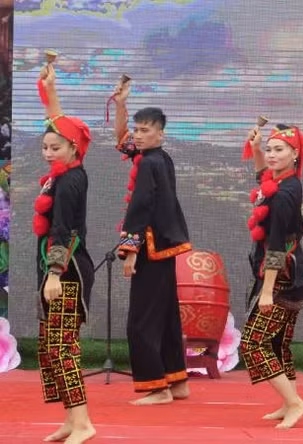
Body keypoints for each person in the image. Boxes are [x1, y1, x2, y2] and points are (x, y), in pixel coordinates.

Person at [111, 79, 192, 405]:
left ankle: (156, 387)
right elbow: (121, 141)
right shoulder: (160, 158)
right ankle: (177, 382)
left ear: (160, 134)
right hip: (164, 248)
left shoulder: (148, 163)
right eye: (138, 129)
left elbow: (140, 208)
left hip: (150, 248)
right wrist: (120, 105)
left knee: (141, 322)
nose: (138, 135)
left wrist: (129, 252)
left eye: (146, 130)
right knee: (167, 318)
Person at [34, 62, 96, 443]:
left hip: (68, 268)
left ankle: (84, 422)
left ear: (74, 148)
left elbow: (65, 230)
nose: (47, 152)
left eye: (54, 147)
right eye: (43, 146)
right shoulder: (63, 172)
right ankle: (72, 421)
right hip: (57, 267)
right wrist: (51, 91)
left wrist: (55, 273)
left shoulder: (71, 180)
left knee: (64, 348)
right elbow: (58, 122)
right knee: (53, 348)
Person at [239, 123, 303, 428]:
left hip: (281, 273)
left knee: (253, 344)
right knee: (278, 343)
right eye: (269, 149)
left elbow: (277, 245)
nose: (271, 155)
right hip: (287, 270)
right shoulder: (279, 182)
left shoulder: (285, 194)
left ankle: (295, 402)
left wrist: (267, 291)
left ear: (295, 154)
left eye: (278, 150)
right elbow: (263, 178)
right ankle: (288, 402)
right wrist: (257, 149)